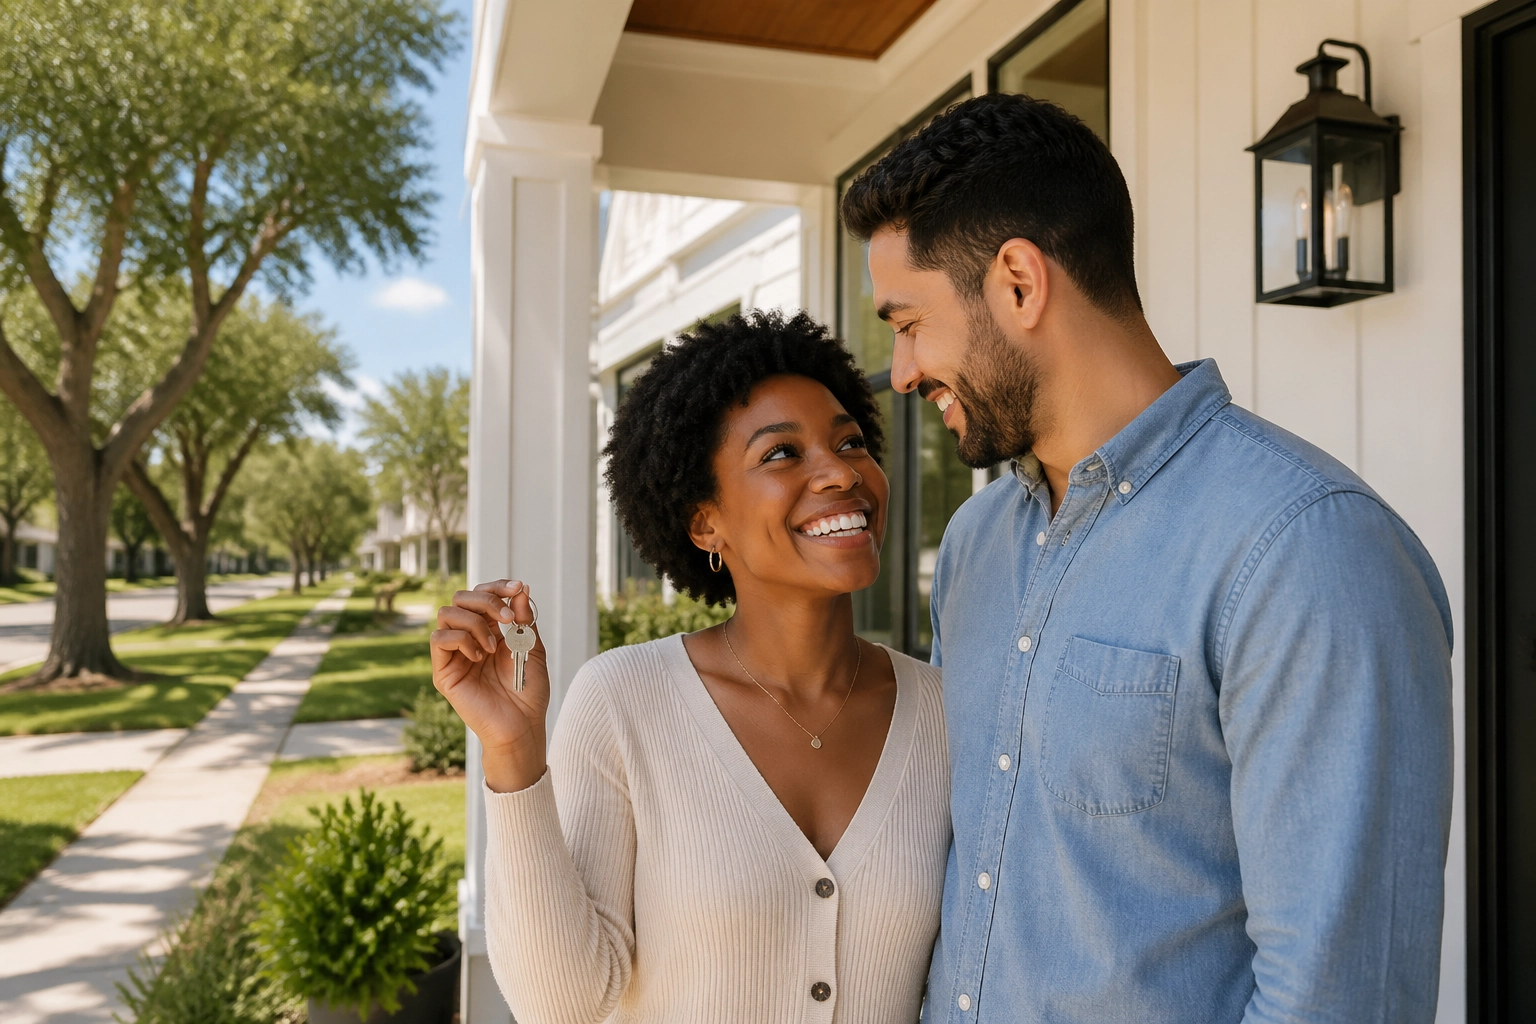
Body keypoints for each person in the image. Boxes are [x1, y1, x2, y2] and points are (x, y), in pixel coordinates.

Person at [840, 93, 1454, 1023]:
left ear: (1018, 281)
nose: (902, 370)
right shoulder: (973, 548)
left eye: (909, 321)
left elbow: (1338, 991)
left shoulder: (1308, 550)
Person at [430, 309, 949, 1024]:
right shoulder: (624, 702)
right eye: (781, 454)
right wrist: (513, 752)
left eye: (851, 442)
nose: (840, 474)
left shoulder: (947, 712)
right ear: (705, 522)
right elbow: (563, 1004)